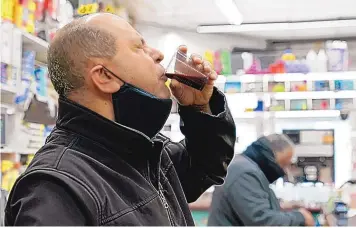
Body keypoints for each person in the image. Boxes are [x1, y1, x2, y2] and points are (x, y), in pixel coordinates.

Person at [5, 13, 236, 226]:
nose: (158, 54)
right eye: (139, 47)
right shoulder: (56, 187)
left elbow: (205, 168)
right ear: (104, 76)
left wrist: (200, 109)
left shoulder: (144, 151)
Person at [208, 134, 315, 226]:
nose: (284, 171)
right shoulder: (245, 173)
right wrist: (300, 217)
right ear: (273, 156)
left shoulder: (246, 166)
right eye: (283, 165)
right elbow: (261, 221)